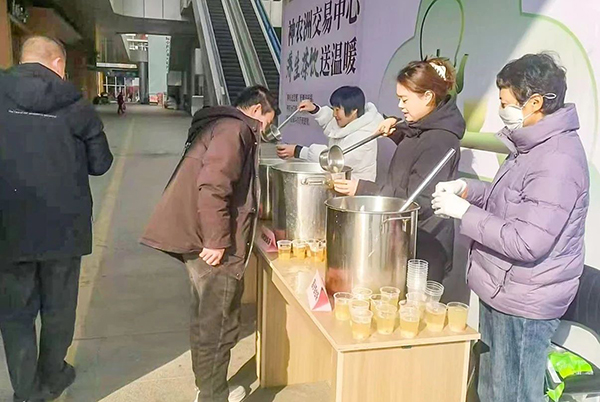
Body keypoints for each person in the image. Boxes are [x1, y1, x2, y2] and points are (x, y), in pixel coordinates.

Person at [432, 53, 589, 402]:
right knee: (490, 390)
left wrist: (465, 214)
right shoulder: (530, 145)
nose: (501, 110)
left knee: (512, 394)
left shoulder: (558, 160)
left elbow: (527, 241)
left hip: (526, 301)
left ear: (535, 103)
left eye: (505, 103)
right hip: (503, 287)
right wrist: (468, 190)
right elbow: (509, 200)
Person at [141, 86, 278, 402]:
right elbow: (214, 185)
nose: (265, 130)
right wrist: (217, 241)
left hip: (200, 237)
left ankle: (205, 385)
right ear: (257, 110)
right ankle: (212, 395)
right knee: (220, 323)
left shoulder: (222, 124)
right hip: (214, 244)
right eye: (267, 122)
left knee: (206, 317)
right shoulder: (235, 130)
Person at [0, 36, 113, 402]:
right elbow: (101, 163)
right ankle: (53, 374)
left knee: (15, 313)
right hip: (64, 229)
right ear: (58, 63)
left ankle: (26, 391)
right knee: (59, 308)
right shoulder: (76, 105)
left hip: (8, 227)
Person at [335, 58, 465, 282]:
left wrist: (362, 189)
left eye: (405, 99)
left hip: (424, 248)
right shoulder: (423, 126)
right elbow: (414, 146)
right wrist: (395, 128)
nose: (400, 106)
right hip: (404, 236)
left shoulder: (441, 140)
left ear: (428, 96)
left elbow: (418, 201)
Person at [276, 86, 383, 181]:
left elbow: (333, 159)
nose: (334, 114)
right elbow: (331, 123)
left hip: (357, 189)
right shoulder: (350, 122)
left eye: (338, 110)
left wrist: (298, 151)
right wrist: (314, 109)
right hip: (341, 183)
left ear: (353, 111)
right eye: (333, 109)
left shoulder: (364, 136)